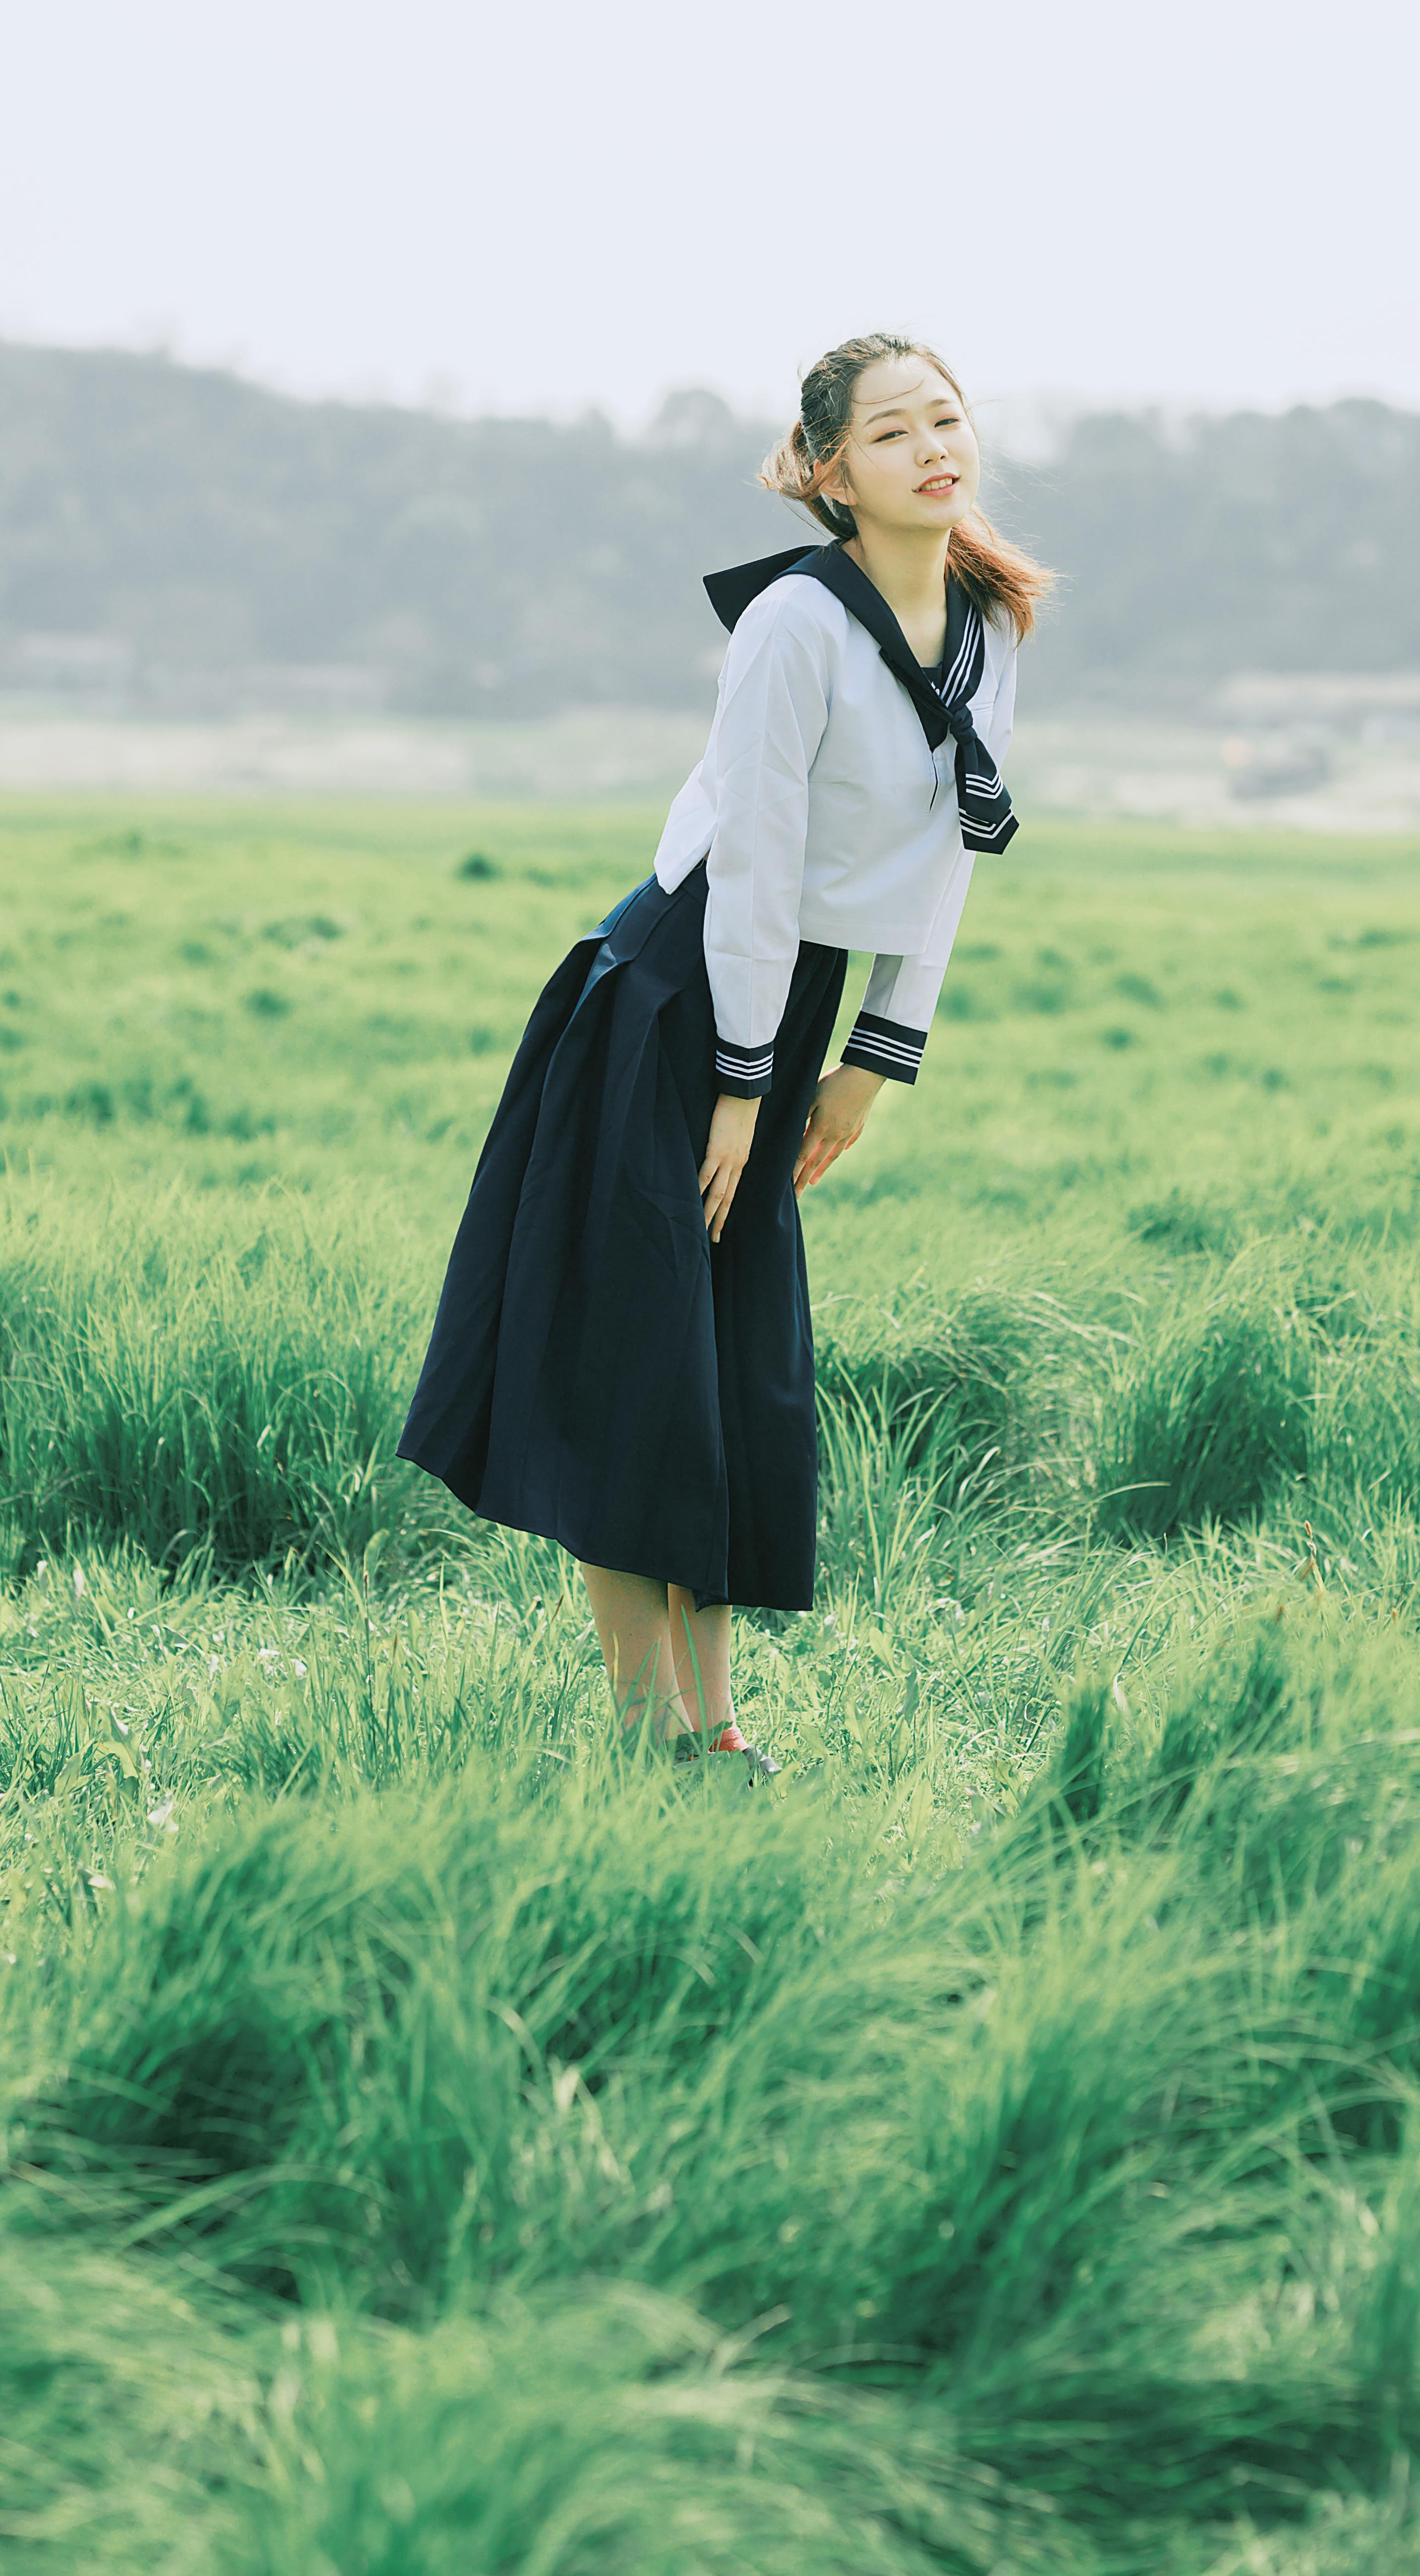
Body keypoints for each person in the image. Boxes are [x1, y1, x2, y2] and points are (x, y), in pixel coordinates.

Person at [396, 334, 1049, 1776]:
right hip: (671, 1005)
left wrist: (875, 1064)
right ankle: (661, 1742)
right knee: (638, 1383)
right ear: (828, 475)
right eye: (890, 434)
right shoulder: (793, 628)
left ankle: (716, 1735)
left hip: (783, 1014)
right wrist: (745, 1088)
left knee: (722, 1382)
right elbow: (751, 865)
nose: (933, 448)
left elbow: (954, 849)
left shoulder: (987, 624)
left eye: (947, 420)